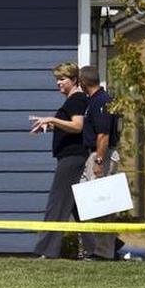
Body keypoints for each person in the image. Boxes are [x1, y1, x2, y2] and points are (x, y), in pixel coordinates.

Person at [30, 61, 88, 259]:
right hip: (70, 157)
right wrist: (52, 127)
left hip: (72, 157)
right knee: (76, 206)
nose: (58, 83)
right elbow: (71, 126)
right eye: (57, 79)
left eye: (62, 79)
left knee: (57, 203)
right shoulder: (73, 100)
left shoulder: (76, 99)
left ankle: (47, 250)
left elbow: (77, 126)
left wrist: (52, 119)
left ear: (74, 79)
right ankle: (101, 248)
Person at [79, 64, 122, 260]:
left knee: (103, 206)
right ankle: (106, 246)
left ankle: (104, 252)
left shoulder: (101, 101)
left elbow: (103, 135)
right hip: (96, 154)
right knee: (88, 203)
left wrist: (98, 161)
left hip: (101, 154)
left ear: (83, 82)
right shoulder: (96, 100)